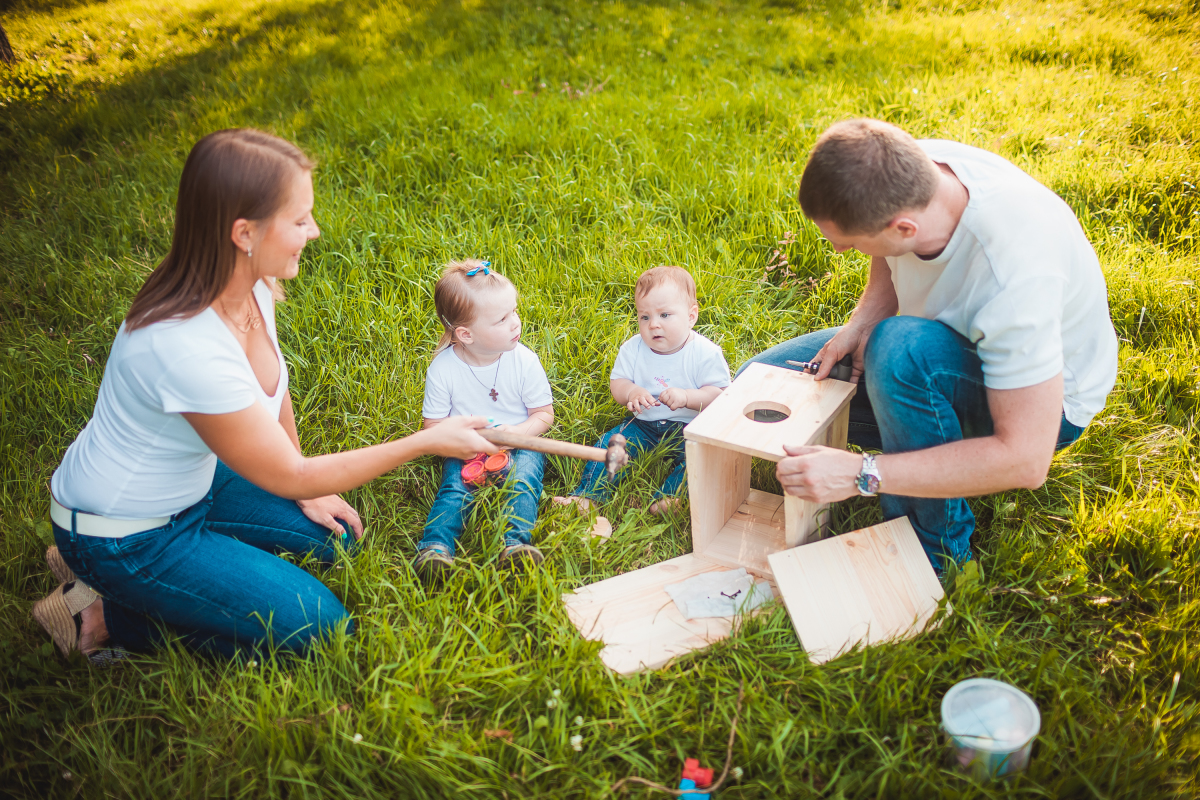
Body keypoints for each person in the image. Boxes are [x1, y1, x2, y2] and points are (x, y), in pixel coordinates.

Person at [32, 129, 496, 662]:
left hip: (196, 481)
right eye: (300, 220)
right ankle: (101, 613)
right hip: (129, 535)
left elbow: (277, 397)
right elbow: (288, 476)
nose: (315, 231)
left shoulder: (248, 280)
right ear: (243, 232)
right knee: (321, 635)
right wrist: (425, 441)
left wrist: (304, 481)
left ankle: (117, 578)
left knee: (336, 537)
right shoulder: (184, 344)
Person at [743, 119, 1118, 572]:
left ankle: (933, 552)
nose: (842, 250)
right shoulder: (907, 169)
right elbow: (885, 250)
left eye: (851, 242)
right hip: (934, 345)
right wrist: (863, 322)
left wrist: (861, 474)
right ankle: (913, 426)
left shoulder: (1014, 282)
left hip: (1041, 407)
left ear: (903, 227)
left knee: (899, 350)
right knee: (757, 382)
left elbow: (1025, 458)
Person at [412, 260, 554, 580]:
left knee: (523, 481)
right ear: (466, 334)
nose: (515, 323)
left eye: (514, 312)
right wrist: (466, 440)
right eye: (502, 319)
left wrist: (515, 433)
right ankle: (435, 547)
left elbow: (544, 415)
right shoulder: (443, 369)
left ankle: (515, 546)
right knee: (455, 488)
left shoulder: (524, 361)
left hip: (520, 439)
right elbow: (432, 429)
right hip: (468, 445)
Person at [554, 266, 731, 516]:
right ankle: (588, 496)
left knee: (702, 456)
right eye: (644, 317)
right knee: (611, 446)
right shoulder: (633, 349)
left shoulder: (705, 353)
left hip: (691, 428)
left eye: (665, 315)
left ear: (691, 316)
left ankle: (672, 497)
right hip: (644, 424)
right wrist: (632, 391)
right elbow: (618, 383)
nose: (653, 325)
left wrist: (688, 397)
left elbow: (721, 394)